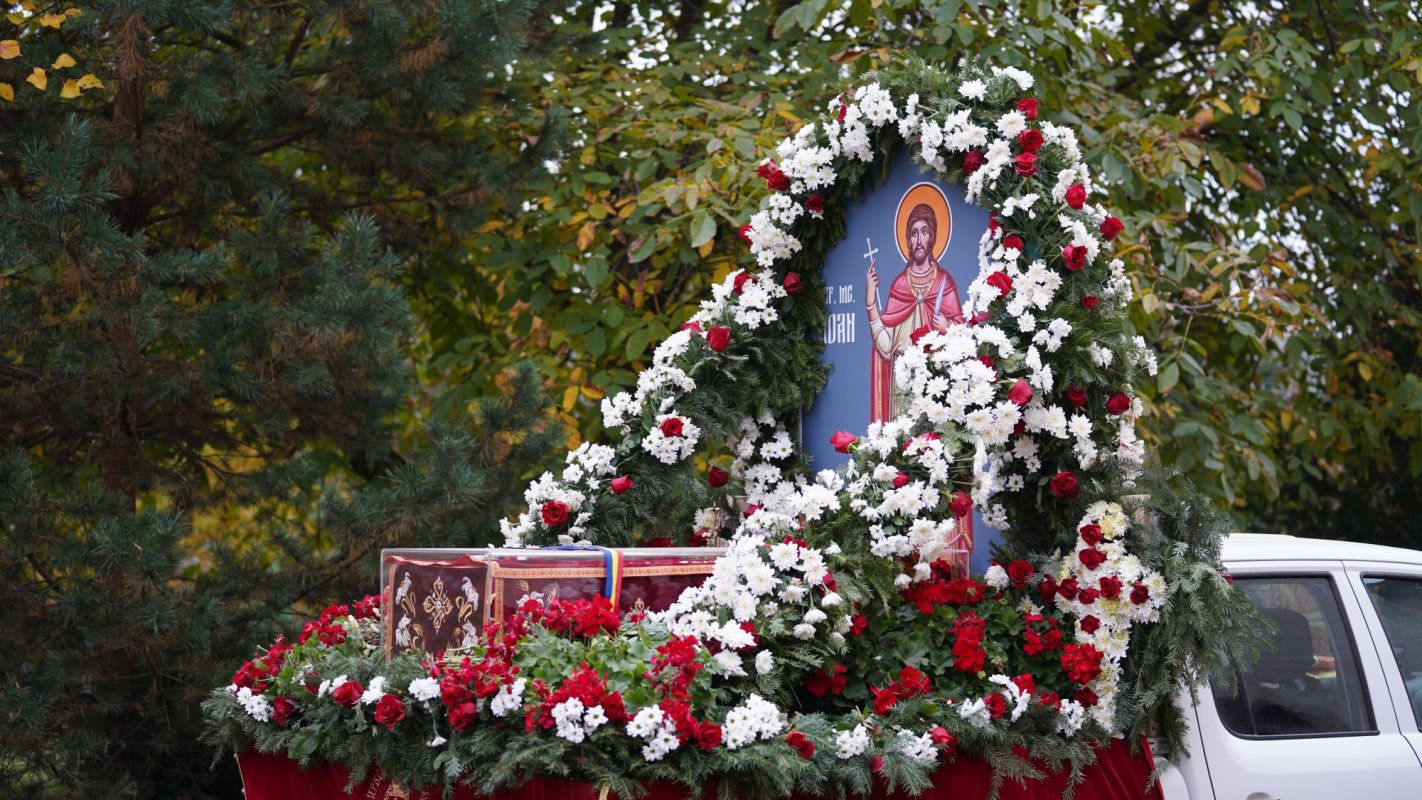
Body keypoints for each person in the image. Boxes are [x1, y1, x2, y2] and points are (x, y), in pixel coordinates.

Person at [865, 202, 964, 422]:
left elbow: (965, 336)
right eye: (914, 234)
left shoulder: (944, 283)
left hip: (936, 381)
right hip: (903, 384)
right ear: (908, 241)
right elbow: (886, 346)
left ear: (932, 238)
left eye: (924, 232)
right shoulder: (900, 284)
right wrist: (871, 302)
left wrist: (948, 328)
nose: (919, 240)